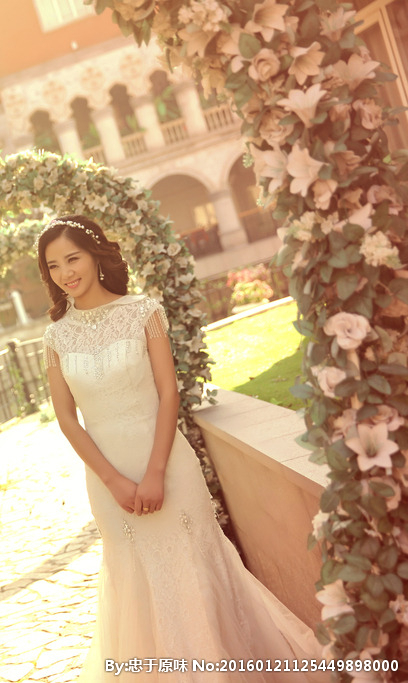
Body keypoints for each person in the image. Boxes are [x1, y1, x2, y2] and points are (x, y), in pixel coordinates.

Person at [38, 216, 326, 681]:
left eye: (73, 259)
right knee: (138, 583)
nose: (65, 273)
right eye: (54, 266)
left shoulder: (143, 311)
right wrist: (114, 481)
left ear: (95, 255)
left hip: (167, 464)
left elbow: (168, 393)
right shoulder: (56, 336)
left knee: (196, 572)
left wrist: (155, 473)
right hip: (109, 482)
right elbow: (67, 418)